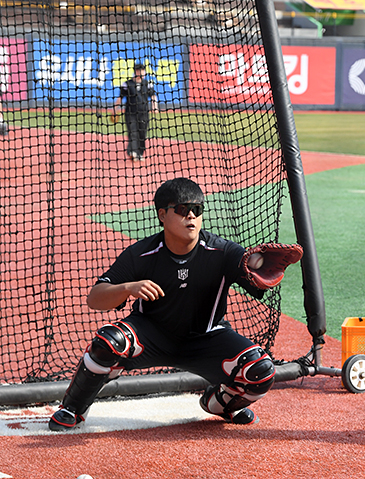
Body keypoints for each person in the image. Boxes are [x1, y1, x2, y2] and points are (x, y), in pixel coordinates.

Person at [49, 177, 301, 431]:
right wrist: (128, 288)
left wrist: (262, 273)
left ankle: (219, 403)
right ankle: (72, 407)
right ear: (162, 214)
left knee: (261, 371)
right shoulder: (142, 253)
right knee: (107, 343)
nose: (190, 216)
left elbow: (255, 277)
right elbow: (95, 298)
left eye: (197, 210)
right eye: (182, 209)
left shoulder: (222, 251)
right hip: (151, 335)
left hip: (207, 337)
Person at [114, 62, 158, 161]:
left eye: (143, 70)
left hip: (144, 113)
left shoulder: (147, 84)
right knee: (132, 131)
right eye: (140, 70)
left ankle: (140, 153)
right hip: (130, 113)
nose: (142, 72)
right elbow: (120, 97)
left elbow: (153, 96)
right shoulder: (127, 84)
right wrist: (115, 108)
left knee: (142, 133)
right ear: (136, 71)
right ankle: (132, 151)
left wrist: (155, 106)